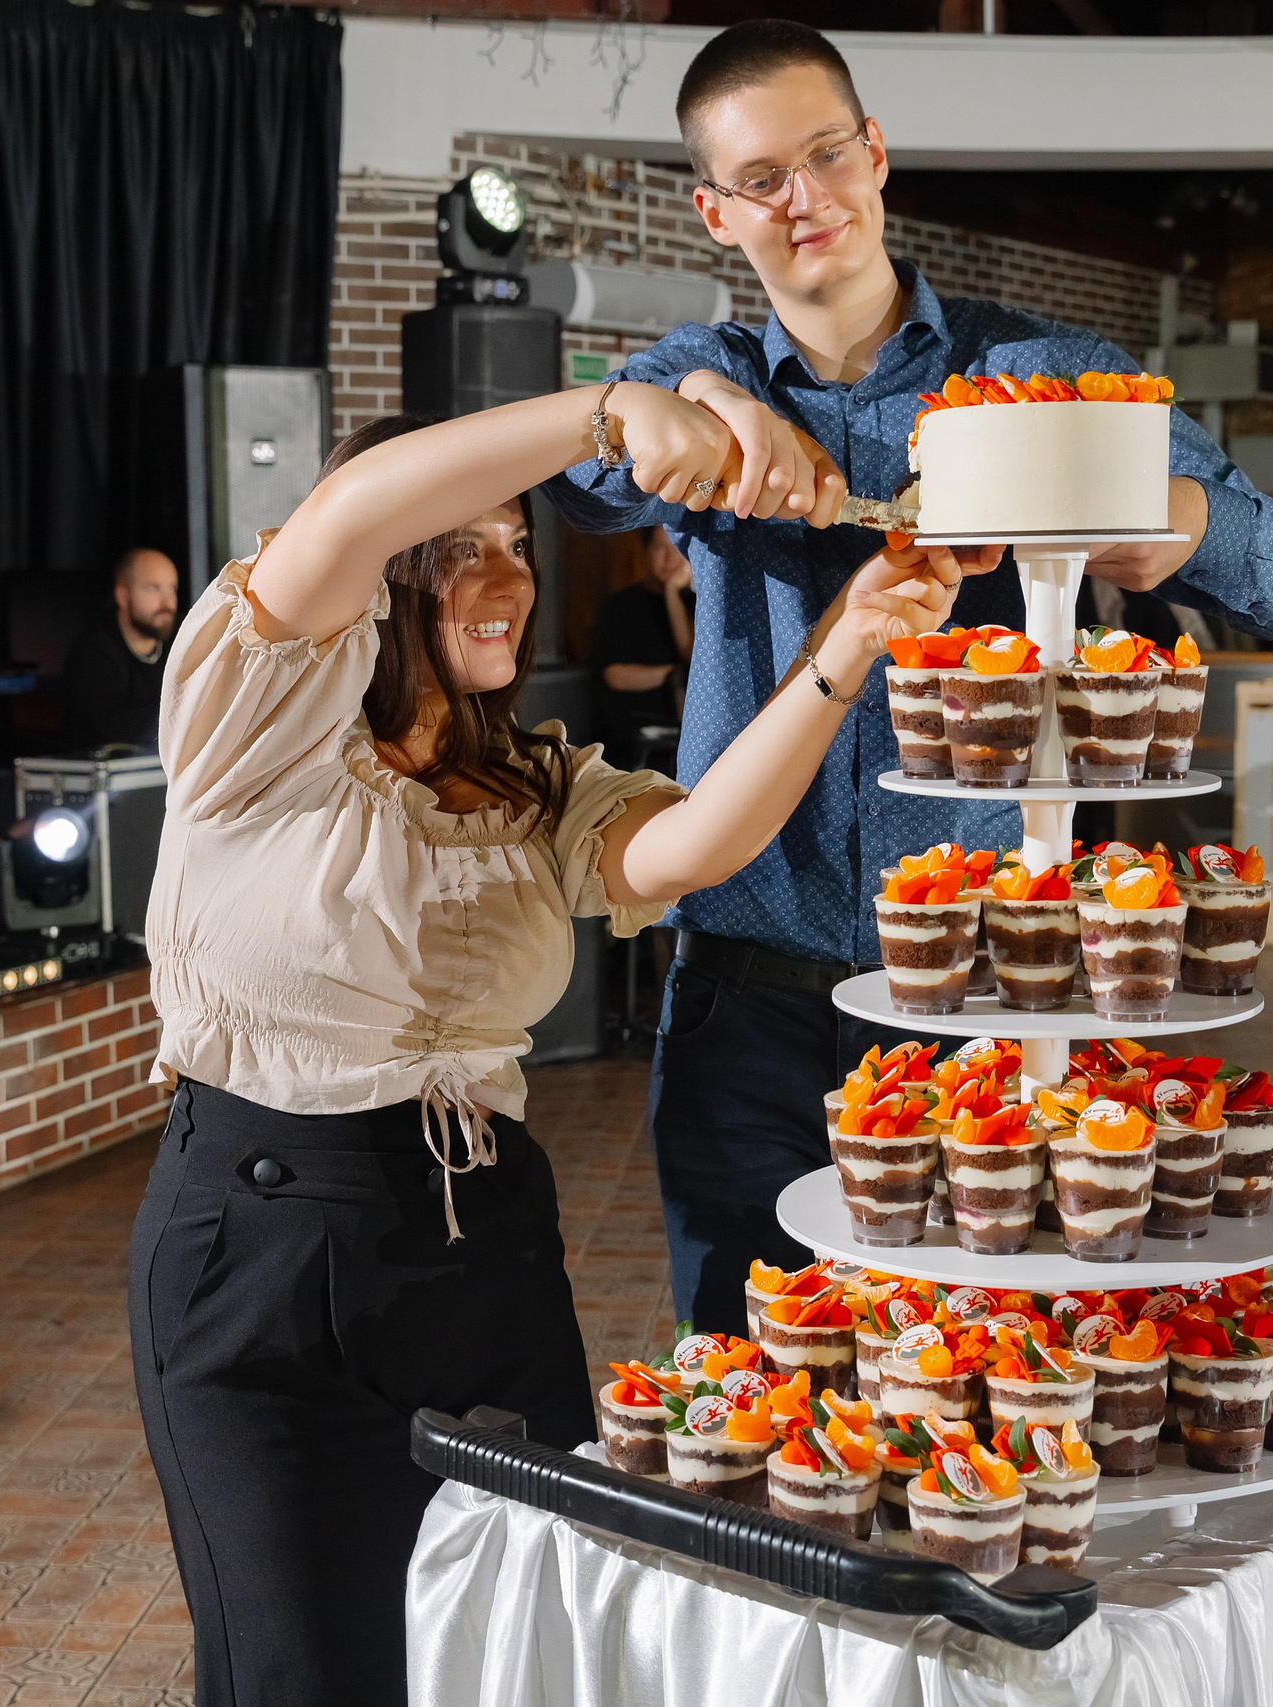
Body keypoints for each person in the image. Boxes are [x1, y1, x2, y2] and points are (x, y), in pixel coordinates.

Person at [130, 379, 963, 1707]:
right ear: (389, 567)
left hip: (483, 1243)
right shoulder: (256, 721)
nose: (506, 573)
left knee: (524, 1640)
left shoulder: (535, 782)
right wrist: (611, 412)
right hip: (267, 1250)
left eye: (521, 543)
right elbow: (346, 509)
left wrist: (843, 649)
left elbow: (695, 844)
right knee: (308, 1664)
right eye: (465, 538)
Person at [544, 19, 1273, 1334]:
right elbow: (577, 477)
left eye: (826, 154)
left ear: (876, 153)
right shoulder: (703, 378)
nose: (806, 199)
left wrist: (1185, 530)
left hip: (986, 996)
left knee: (983, 1350)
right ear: (713, 210)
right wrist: (685, 405)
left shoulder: (1035, 380)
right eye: (762, 178)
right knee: (754, 1354)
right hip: (746, 993)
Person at [591, 523, 697, 763]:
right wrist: (674, 673)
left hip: (687, 729)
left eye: (677, 547)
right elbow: (615, 675)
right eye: (660, 547)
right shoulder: (622, 606)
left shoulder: (699, 605)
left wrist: (673, 593)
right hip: (634, 731)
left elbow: (691, 654)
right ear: (647, 550)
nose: (669, 558)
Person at [60, 546, 180, 748]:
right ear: (122, 596)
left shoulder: (182, 642)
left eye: (172, 589)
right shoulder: (92, 652)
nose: (167, 602)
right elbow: (112, 730)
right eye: (153, 588)